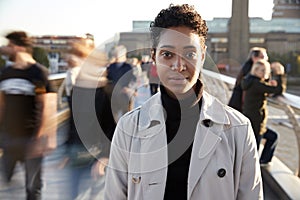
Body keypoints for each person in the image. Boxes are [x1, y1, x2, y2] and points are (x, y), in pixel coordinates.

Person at [104, 4, 263, 200]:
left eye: (189, 54)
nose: (178, 66)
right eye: (168, 55)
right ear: (154, 56)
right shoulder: (128, 128)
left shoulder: (238, 129)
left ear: (202, 56)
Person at [0, 31, 52, 200]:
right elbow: (1, 105)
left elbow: (44, 106)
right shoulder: (5, 73)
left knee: (33, 188)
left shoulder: (38, 73)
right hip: (8, 138)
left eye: (9, 46)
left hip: (31, 139)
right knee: (4, 180)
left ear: (20, 47)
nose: (5, 49)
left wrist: (40, 138)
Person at [64, 42, 116, 199]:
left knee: (96, 194)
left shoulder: (106, 91)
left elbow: (111, 127)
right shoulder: (76, 89)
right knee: (71, 194)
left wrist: (105, 157)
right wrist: (67, 149)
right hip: (75, 152)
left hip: (96, 154)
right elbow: (73, 121)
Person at [241, 59, 282, 165]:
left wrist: (269, 84)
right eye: (261, 70)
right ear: (255, 70)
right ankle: (259, 164)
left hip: (251, 119)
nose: (264, 73)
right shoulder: (256, 84)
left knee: (269, 138)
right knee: (256, 147)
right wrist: (279, 75)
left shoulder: (250, 81)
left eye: (266, 71)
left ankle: (262, 162)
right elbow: (278, 90)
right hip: (256, 121)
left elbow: (264, 91)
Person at [228, 47, 268, 112]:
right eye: (263, 57)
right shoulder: (251, 71)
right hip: (241, 105)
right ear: (254, 58)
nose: (266, 59)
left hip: (238, 103)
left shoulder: (247, 67)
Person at [106, 45, 137, 121]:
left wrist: (129, 89)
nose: (116, 56)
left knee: (127, 116)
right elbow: (108, 79)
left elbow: (133, 79)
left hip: (125, 95)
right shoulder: (111, 67)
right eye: (115, 54)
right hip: (114, 95)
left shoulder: (128, 67)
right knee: (113, 116)